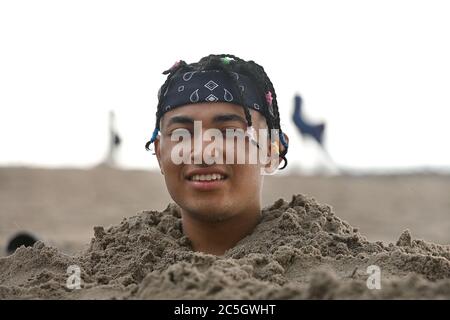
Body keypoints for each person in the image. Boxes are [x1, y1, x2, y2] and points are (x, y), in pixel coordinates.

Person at [145, 54, 289, 255]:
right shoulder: (97, 277)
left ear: (273, 150)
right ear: (160, 154)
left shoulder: (337, 275)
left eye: (229, 132)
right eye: (183, 134)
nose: (204, 153)